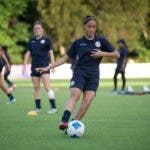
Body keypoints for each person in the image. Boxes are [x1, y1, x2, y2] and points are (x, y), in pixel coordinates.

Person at [36, 16, 120, 130]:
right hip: (79, 72)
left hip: (94, 75)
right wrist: (48, 67)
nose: (92, 29)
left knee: (87, 101)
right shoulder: (78, 43)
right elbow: (65, 58)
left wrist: (102, 53)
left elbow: (117, 54)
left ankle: (73, 125)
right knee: (75, 94)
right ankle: (64, 121)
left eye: (94, 27)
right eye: (89, 26)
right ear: (84, 27)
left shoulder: (101, 40)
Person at [22, 20, 57, 114]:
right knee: (36, 87)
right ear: (33, 30)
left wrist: (53, 65)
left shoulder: (47, 40)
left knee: (47, 87)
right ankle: (38, 108)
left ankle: (53, 107)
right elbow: (28, 53)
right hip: (34, 67)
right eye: (35, 28)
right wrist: (24, 66)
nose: (37, 30)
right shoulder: (31, 41)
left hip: (45, 67)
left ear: (42, 30)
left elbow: (51, 53)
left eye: (39, 28)